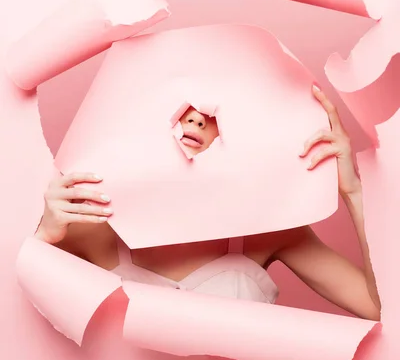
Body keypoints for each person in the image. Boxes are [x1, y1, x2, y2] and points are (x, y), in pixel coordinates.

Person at [34, 86, 381, 321]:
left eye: (216, 113)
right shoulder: (92, 221)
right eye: (186, 106)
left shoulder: (271, 229)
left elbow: (379, 308)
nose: (197, 118)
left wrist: (352, 190)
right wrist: (43, 238)